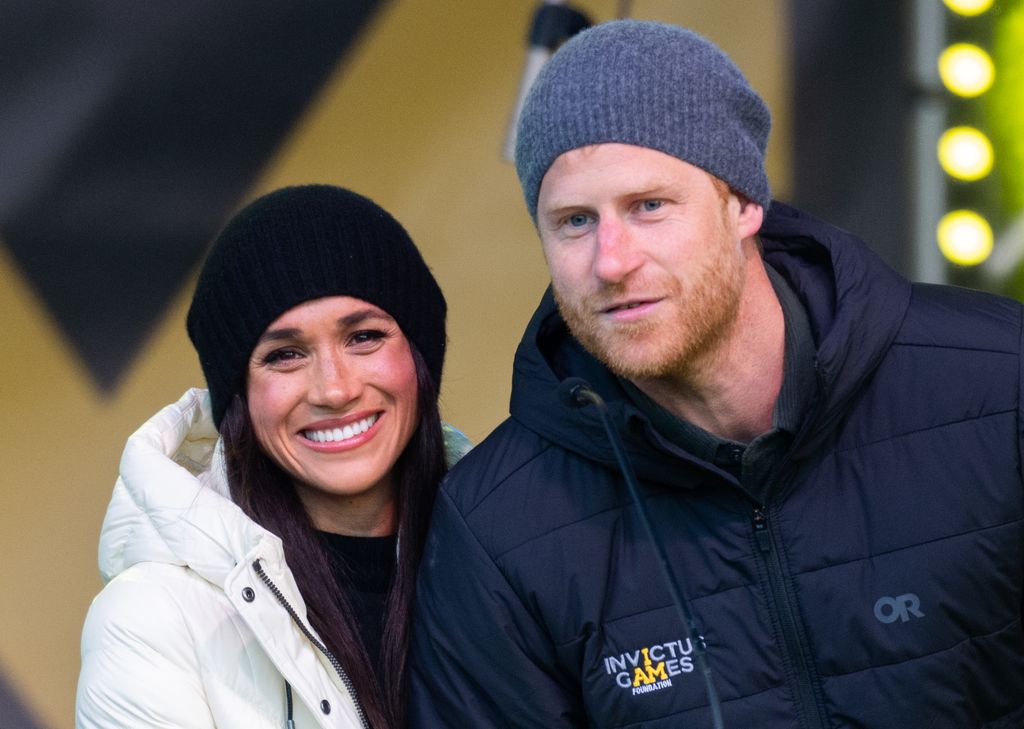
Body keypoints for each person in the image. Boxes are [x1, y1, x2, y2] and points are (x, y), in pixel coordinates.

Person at [409, 19, 1024, 728]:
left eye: (649, 206)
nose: (612, 261)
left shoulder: (998, 384)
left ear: (743, 204)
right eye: (575, 221)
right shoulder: (496, 527)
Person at [77, 185, 469, 729]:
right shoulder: (152, 620)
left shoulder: (513, 554)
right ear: (238, 397)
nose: (334, 389)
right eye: (285, 355)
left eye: (364, 337)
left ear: (420, 358)